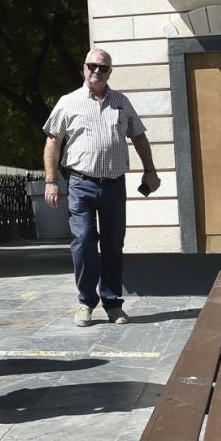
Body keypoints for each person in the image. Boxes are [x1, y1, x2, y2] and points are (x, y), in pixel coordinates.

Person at [43, 48, 158, 327]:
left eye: (103, 67)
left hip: (114, 185)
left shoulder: (121, 102)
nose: (97, 71)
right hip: (81, 184)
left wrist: (150, 170)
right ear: (83, 68)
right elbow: (52, 143)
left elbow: (139, 137)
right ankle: (86, 302)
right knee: (83, 242)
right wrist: (51, 180)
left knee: (112, 245)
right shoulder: (68, 103)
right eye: (92, 65)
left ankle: (112, 303)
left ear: (110, 72)